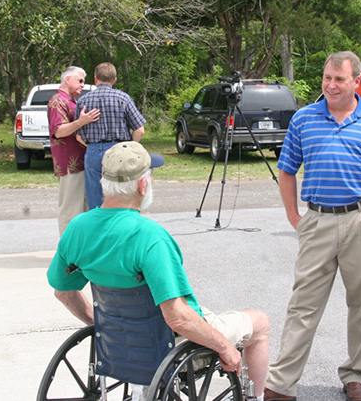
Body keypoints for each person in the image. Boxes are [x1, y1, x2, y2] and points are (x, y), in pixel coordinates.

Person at [47, 141, 270, 395]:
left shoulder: (77, 228)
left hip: (119, 342)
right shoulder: (150, 237)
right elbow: (178, 317)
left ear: (103, 181)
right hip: (170, 342)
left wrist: (105, 326)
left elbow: (63, 292)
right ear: (143, 185)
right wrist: (225, 348)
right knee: (260, 323)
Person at [264, 51, 361, 401]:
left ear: (357, 81)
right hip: (318, 220)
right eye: (327, 78)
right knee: (303, 305)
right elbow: (286, 170)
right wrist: (294, 217)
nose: (330, 85)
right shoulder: (303, 119)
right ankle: (281, 385)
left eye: (339, 79)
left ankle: (356, 376)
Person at [75, 62, 146, 211]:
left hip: (93, 151)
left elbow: (78, 136)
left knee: (95, 199)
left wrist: (93, 147)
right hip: (119, 150)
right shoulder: (123, 98)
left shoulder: (83, 101)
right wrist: (129, 146)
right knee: (121, 195)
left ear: (95, 79)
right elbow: (140, 130)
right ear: (114, 79)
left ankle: (97, 230)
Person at [47, 66, 100, 235]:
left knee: (82, 209)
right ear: (68, 79)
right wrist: (81, 122)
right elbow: (58, 131)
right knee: (70, 210)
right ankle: (67, 252)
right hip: (69, 165)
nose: (83, 85)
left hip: (79, 163)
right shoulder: (57, 102)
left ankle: (79, 252)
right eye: (80, 81)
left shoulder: (69, 101)